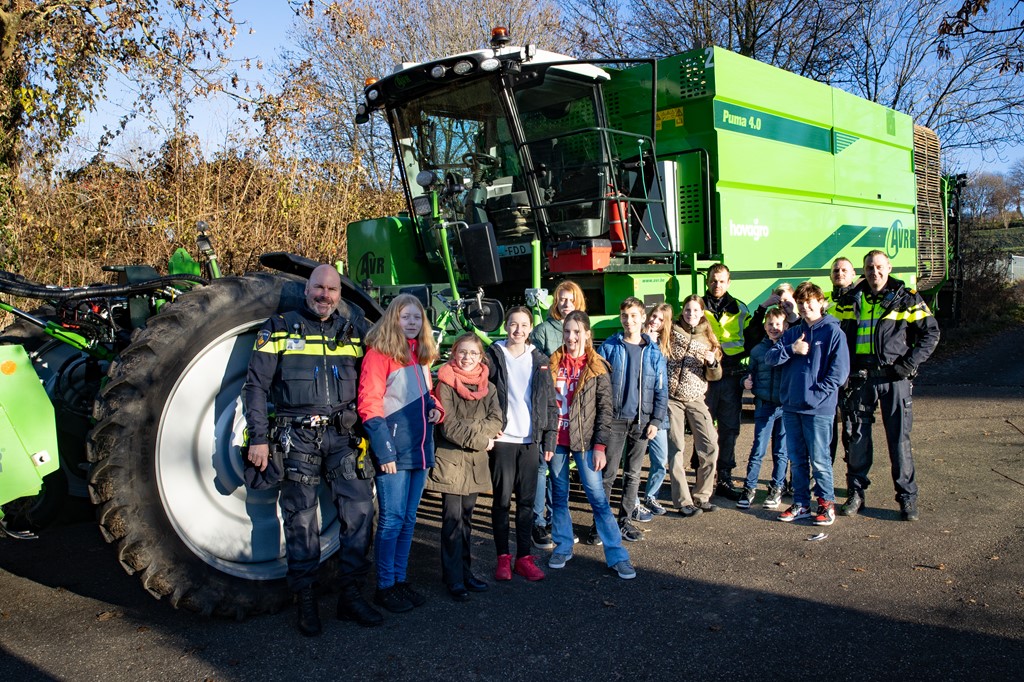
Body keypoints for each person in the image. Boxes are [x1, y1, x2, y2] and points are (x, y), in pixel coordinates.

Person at [242, 264, 380, 636]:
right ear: (306, 291)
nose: (325, 295)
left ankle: (351, 596)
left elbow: (380, 375)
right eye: (318, 288)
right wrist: (258, 437)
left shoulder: (352, 332)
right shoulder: (279, 328)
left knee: (360, 513)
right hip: (296, 437)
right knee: (301, 520)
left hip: (344, 437)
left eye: (332, 290)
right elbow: (255, 388)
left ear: (339, 295)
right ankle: (306, 602)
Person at [834, 250, 940, 521]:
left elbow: (931, 333)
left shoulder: (906, 298)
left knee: (899, 440)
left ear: (889, 268)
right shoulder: (850, 299)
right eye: (869, 267)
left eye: (879, 267)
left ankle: (906, 497)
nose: (875, 272)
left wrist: (908, 365)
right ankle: (856, 494)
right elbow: (825, 325)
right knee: (857, 440)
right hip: (860, 378)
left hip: (895, 377)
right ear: (863, 270)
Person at [358, 293, 442, 613]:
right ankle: (384, 586)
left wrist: (436, 409)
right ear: (393, 318)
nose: (411, 322)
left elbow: (426, 397)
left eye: (416, 317)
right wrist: (384, 451)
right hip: (394, 450)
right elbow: (369, 404)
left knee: (408, 520)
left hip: (419, 449)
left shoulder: (422, 355)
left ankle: (400, 579)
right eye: (405, 316)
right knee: (391, 520)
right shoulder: (379, 354)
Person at [547, 310, 636, 579]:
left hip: (585, 444)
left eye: (577, 332)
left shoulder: (598, 367)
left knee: (598, 499)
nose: (571, 337)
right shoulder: (551, 364)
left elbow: (605, 411)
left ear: (587, 334)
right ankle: (563, 545)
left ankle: (617, 554)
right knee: (559, 498)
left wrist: (600, 446)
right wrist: (546, 438)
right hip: (557, 441)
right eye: (567, 331)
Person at [765, 282, 850, 526]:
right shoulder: (792, 333)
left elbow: (839, 373)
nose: (805, 306)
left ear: (821, 302)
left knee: (820, 459)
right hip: (791, 407)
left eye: (810, 301)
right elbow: (770, 357)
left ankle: (825, 503)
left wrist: (815, 396)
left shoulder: (833, 332)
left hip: (818, 409)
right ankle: (801, 503)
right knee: (797, 458)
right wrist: (792, 349)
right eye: (801, 303)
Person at [427, 334, 503, 601]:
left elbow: (497, 419)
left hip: (475, 463)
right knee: (452, 522)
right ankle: (453, 578)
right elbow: (448, 426)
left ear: (480, 357)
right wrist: (482, 439)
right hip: (451, 462)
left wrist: (479, 434)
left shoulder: (489, 388)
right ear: (454, 354)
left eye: (472, 353)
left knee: (467, 521)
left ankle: (466, 573)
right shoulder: (445, 383)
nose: (467, 357)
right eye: (462, 352)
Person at [485, 306, 556, 583]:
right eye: (513, 324)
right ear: (505, 326)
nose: (518, 330)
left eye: (524, 325)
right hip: (502, 440)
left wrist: (549, 437)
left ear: (530, 328)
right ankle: (503, 557)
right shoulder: (494, 356)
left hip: (529, 440)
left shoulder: (539, 358)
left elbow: (550, 402)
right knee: (501, 502)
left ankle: (523, 557)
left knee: (527, 503)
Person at [596, 297, 668, 543]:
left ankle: (624, 521)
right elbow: (599, 385)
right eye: (625, 316)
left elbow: (661, 390)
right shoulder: (608, 347)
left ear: (643, 317)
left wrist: (656, 421)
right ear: (621, 318)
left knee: (633, 475)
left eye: (634, 316)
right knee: (608, 474)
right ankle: (601, 525)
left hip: (642, 422)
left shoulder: (654, 353)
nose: (629, 321)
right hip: (614, 421)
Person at [528, 280, 586, 549]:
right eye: (561, 299)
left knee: (558, 471)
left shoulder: (583, 330)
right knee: (543, 467)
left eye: (570, 299)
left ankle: (556, 520)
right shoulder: (542, 331)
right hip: (548, 409)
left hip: (571, 411)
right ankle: (537, 522)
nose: (565, 304)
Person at [664, 295, 723, 517]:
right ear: (683, 311)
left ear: (702, 313)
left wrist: (712, 362)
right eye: (688, 310)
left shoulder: (709, 339)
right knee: (676, 446)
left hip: (696, 396)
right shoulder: (670, 332)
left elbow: (715, 375)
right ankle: (682, 501)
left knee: (709, 445)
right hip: (672, 398)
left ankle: (702, 496)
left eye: (696, 311)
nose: (691, 314)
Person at [701, 263, 756, 500]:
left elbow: (754, 337)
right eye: (713, 280)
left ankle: (724, 477)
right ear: (707, 281)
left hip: (731, 375)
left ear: (729, 282)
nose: (717, 285)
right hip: (703, 377)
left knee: (729, 429)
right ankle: (702, 479)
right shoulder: (697, 306)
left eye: (722, 281)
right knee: (702, 429)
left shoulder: (740, 309)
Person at [738, 306, 789, 510]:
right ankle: (749, 487)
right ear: (765, 327)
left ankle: (777, 487)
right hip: (764, 405)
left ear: (785, 326)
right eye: (770, 324)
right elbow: (749, 373)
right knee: (758, 448)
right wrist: (745, 382)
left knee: (781, 451)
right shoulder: (758, 351)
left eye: (778, 324)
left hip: (784, 408)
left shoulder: (790, 348)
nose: (774, 328)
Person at [641, 303, 674, 515]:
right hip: (637, 411)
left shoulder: (666, 347)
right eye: (653, 316)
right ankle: (632, 497)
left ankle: (651, 495)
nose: (655, 321)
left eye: (660, 319)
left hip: (659, 412)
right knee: (632, 461)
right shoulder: (636, 339)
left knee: (660, 460)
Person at [825, 256, 859, 465]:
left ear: (853, 274)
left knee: (851, 430)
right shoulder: (825, 301)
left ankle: (853, 482)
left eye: (844, 270)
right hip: (828, 372)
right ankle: (823, 478)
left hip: (852, 372)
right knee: (826, 429)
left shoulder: (862, 300)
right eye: (836, 270)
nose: (840, 274)